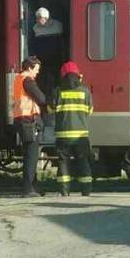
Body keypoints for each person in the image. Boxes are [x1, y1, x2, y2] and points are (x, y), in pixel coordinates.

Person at [54, 61, 93, 197]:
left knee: (63, 163)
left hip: (63, 136)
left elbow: (50, 109)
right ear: (78, 76)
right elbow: (90, 110)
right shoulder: (85, 91)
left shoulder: (58, 91)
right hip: (81, 135)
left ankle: (65, 191)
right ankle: (86, 191)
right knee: (83, 161)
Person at [13, 57, 49, 197]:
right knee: (31, 155)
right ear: (29, 67)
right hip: (29, 120)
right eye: (36, 69)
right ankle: (28, 189)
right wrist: (49, 101)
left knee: (30, 154)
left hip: (23, 119)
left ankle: (32, 186)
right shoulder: (27, 80)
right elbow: (40, 98)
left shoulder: (18, 78)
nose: (37, 73)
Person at [28, 7, 65, 102]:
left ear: (45, 18)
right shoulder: (35, 28)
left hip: (56, 61)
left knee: (54, 84)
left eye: (38, 18)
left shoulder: (58, 25)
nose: (36, 20)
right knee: (43, 83)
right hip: (42, 62)